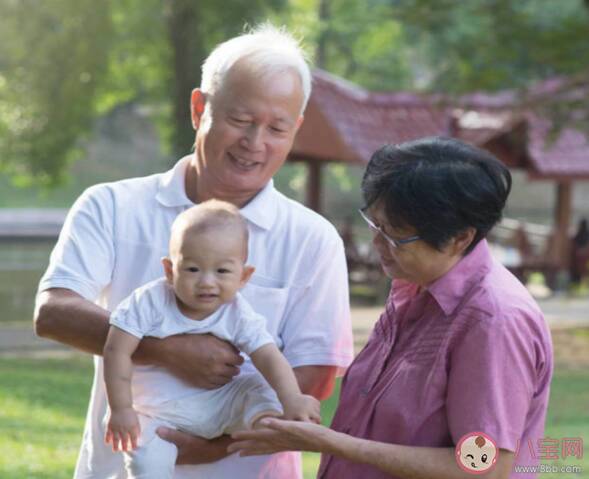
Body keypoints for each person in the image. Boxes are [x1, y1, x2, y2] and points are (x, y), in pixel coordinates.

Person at [34, 24, 353, 479]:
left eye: (277, 128)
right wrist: (164, 349)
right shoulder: (112, 205)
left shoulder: (312, 238)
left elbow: (316, 374)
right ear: (199, 108)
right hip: (121, 465)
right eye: (241, 120)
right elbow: (53, 312)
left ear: (295, 129)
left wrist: (214, 447)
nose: (255, 142)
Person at [230, 137, 554, 479]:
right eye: (375, 225)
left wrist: (333, 443)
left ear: (460, 238)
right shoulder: (413, 285)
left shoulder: (493, 320)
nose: (377, 243)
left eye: (396, 236)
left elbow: (483, 467)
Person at [104, 200, 320, 478]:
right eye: (193, 269)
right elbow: (116, 351)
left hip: (220, 405)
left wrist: (292, 398)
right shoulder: (148, 302)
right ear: (170, 270)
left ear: (244, 276)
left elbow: (267, 354)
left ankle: (270, 424)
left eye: (222, 271)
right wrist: (120, 408)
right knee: (146, 457)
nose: (207, 281)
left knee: (259, 384)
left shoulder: (237, 312)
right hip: (155, 411)